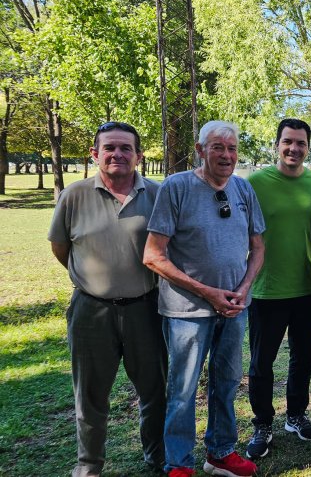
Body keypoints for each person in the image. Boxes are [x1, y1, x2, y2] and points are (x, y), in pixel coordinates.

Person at [143, 121, 265, 477]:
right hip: (187, 312)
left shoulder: (243, 189)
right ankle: (178, 463)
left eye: (231, 148)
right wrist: (208, 292)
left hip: (234, 309)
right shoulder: (177, 187)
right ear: (200, 150)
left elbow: (258, 247)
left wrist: (243, 289)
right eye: (217, 147)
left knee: (226, 383)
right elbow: (153, 255)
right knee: (182, 390)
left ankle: (221, 452)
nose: (226, 155)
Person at [48, 121, 167, 477]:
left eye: (126, 148)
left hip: (145, 308)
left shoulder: (157, 194)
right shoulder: (75, 195)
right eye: (110, 148)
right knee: (90, 395)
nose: (118, 154)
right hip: (91, 311)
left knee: (154, 391)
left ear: (139, 155)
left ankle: (157, 456)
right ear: (95, 153)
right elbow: (61, 247)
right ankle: (89, 465)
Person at [243, 119, 311, 460]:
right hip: (265, 289)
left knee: (304, 357)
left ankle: (296, 415)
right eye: (288, 142)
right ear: (277, 145)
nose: (294, 148)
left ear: (308, 147)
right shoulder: (255, 183)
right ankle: (263, 424)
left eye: (301, 143)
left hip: (306, 287)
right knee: (262, 363)